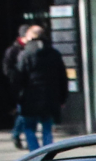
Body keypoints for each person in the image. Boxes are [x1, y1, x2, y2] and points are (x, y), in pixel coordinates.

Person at [6, 22, 68, 150]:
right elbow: (62, 77)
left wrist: (15, 99)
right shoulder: (54, 53)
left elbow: (18, 78)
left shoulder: (26, 55)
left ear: (30, 37)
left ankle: (35, 154)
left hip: (30, 98)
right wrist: (62, 98)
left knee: (29, 128)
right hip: (50, 97)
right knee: (47, 128)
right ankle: (47, 153)